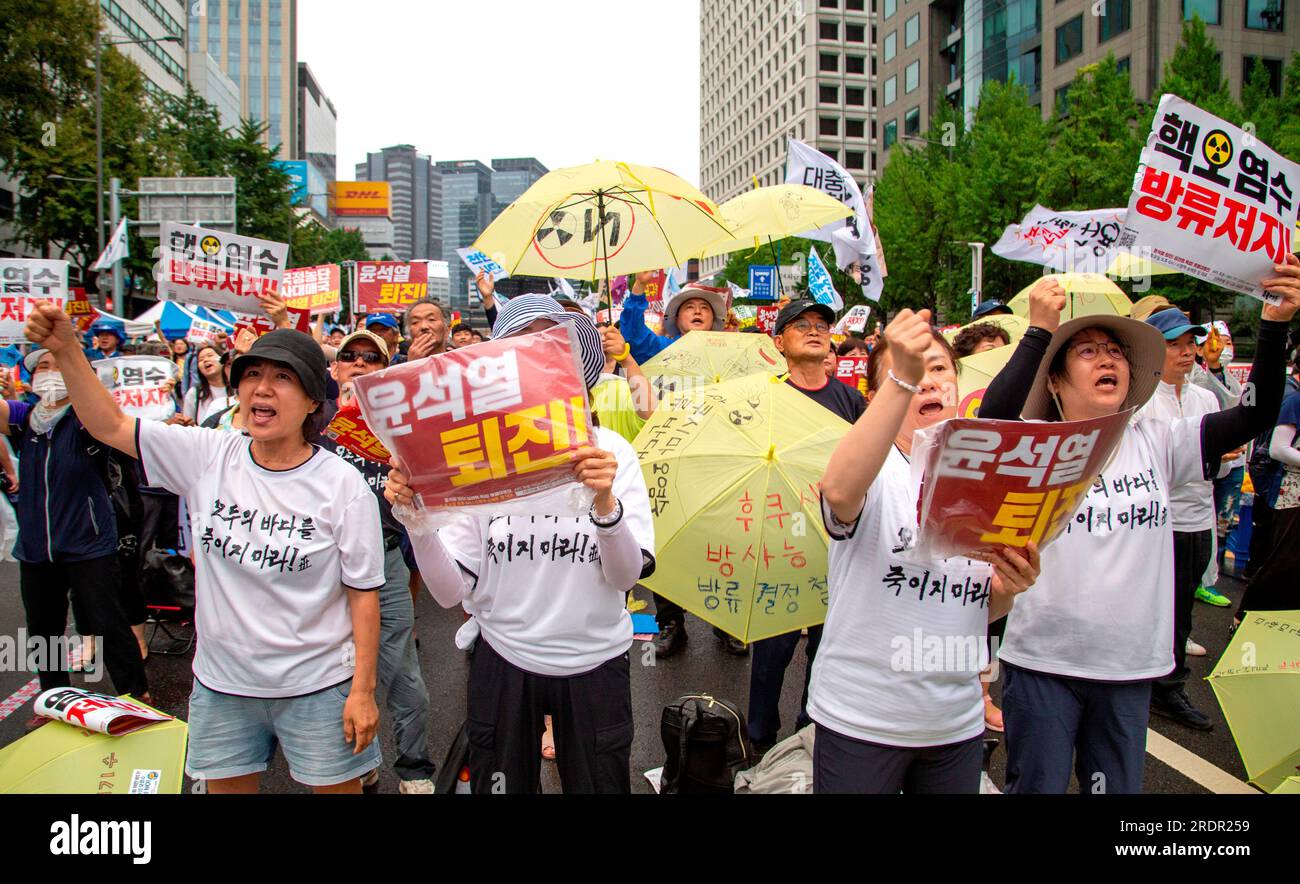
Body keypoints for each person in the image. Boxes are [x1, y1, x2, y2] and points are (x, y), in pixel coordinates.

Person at [26, 305, 386, 794]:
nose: (261, 387)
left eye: (283, 377)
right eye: (252, 374)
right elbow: (109, 425)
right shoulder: (206, 454)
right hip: (222, 686)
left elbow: (362, 595)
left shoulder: (342, 486)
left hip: (319, 687)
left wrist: (362, 691)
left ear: (310, 402)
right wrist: (67, 349)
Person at [977, 260, 1300, 794]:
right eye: (1088, 351)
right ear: (1055, 380)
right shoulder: (1033, 443)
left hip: (1128, 668)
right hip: (1042, 662)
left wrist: (1273, 325)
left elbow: (1256, 412)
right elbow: (992, 419)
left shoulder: (1160, 439)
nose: (1108, 359)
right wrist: (1038, 330)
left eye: (1116, 353)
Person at [384, 294, 655, 794]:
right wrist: (417, 521)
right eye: (522, 347)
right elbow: (448, 593)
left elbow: (625, 578)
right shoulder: (473, 454)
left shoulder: (612, 452)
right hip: (503, 661)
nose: (539, 359)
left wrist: (604, 503)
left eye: (555, 346)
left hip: (596, 664)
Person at [810, 309, 1039, 793]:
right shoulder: (872, 465)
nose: (930, 382)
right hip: (861, 720)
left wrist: (1008, 590)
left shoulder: (991, 480)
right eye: (914, 369)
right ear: (881, 395)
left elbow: (979, 606)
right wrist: (903, 377)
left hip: (954, 723)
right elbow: (838, 493)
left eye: (940, 370)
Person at [2, 347, 150, 727]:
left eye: (58, 365)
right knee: (43, 628)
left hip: (89, 542)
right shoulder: (25, 419)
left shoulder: (86, 419)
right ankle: (52, 697)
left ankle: (136, 695)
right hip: (36, 548)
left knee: (107, 621)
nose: (49, 373)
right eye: (42, 368)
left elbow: (114, 422)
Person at [746, 300, 865, 758]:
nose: (815, 332)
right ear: (780, 342)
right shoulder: (765, 396)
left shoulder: (851, 401)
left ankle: (810, 728)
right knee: (771, 650)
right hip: (777, 537)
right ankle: (758, 739)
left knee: (826, 645)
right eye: (801, 326)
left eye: (821, 326)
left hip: (834, 541)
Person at [324, 328, 436, 794]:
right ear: (334, 370)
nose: (360, 363)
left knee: (402, 671)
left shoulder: (404, 426)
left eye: (373, 357)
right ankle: (358, 764)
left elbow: (434, 492)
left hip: (385, 563)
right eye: (350, 356)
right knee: (332, 673)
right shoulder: (312, 422)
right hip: (322, 568)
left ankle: (414, 768)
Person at [1135, 308, 1225, 731]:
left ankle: (1169, 685)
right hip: (1157, 521)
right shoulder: (1140, 401)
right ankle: (1152, 684)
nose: (1187, 352)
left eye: (1190, 343)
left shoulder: (1206, 397)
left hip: (1197, 516)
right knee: (1152, 604)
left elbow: (1219, 467)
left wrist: (1221, 460)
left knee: (1183, 608)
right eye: (1174, 344)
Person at [1234, 371, 1300, 618]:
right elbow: (1278, 448)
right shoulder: (1295, 400)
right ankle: (1246, 616)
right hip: (1292, 495)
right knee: (1282, 561)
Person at [1188, 321, 1243, 607]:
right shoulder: (1184, 380)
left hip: (1228, 466)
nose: (1222, 347)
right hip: (1197, 471)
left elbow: (1232, 406)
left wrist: (1216, 369)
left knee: (1220, 524)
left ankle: (1207, 579)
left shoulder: (1211, 380)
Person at [620, 272, 729, 363]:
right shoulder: (664, 349)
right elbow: (635, 337)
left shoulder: (727, 353)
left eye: (704, 308)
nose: (697, 311)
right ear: (676, 319)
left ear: (713, 319)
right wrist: (639, 286)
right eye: (689, 307)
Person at [591, 323, 655, 443]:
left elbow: (649, 413)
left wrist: (625, 358)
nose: (604, 339)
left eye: (607, 336)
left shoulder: (624, 386)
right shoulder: (567, 396)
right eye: (598, 336)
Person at [181, 345, 232, 426]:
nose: (205, 360)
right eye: (200, 360)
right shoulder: (194, 393)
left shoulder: (237, 389)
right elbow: (187, 425)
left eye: (210, 355)